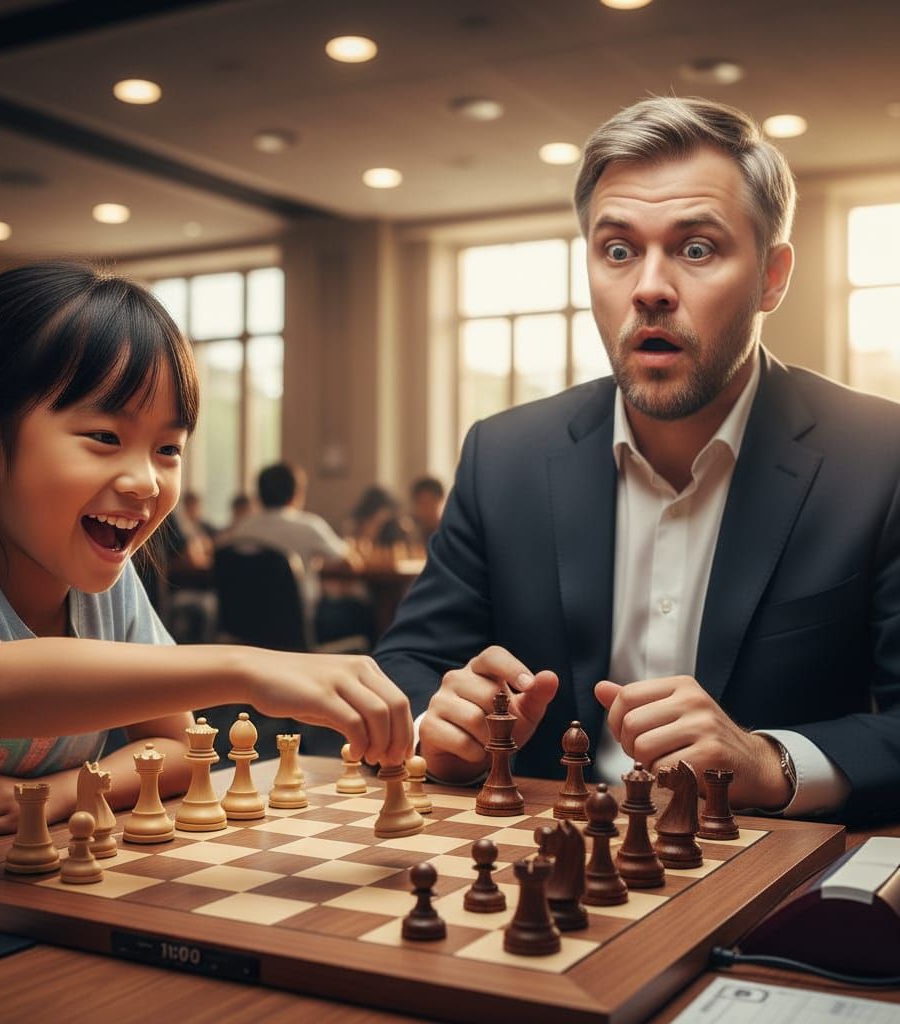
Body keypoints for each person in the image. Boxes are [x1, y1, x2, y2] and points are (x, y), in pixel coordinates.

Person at [376, 96, 900, 826]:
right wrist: (445, 723)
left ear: (772, 277)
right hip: (545, 855)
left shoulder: (879, 457)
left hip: (766, 862)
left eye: (697, 249)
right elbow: (407, 667)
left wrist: (769, 761)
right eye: (618, 251)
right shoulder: (505, 455)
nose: (649, 288)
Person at [0, 262, 412, 843]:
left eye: (167, 449)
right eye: (105, 437)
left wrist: (61, 793)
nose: (146, 482)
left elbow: (178, 748)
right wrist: (249, 668)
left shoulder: (109, 588)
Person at [221, 462, 375, 646]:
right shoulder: (308, 525)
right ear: (297, 493)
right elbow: (351, 562)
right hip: (302, 624)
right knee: (364, 609)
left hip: (247, 625)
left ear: (259, 495)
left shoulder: (242, 528)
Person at [408, 476, 445, 547]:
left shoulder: (448, 535)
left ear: (440, 501)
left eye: (429, 503)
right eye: (421, 504)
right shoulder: (411, 534)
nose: (425, 510)